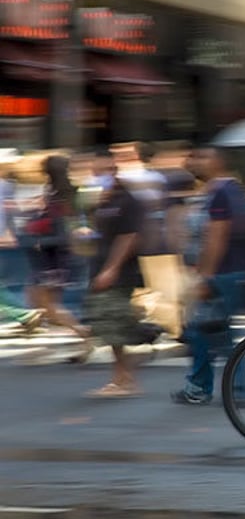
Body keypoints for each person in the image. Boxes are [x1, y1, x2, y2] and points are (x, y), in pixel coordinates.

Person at [171, 146, 245, 405]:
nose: (195, 161)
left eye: (202, 156)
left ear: (218, 161)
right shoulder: (230, 191)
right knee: (217, 331)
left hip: (221, 274)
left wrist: (205, 277)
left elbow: (217, 238)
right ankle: (235, 387)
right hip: (232, 271)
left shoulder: (221, 193)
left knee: (203, 330)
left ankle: (207, 387)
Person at [81, 150, 146, 397]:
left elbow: (129, 237)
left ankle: (124, 380)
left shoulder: (127, 200)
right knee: (110, 324)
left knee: (113, 324)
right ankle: (123, 376)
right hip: (99, 267)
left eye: (104, 170)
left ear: (114, 170)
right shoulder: (101, 200)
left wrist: (112, 269)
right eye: (96, 171)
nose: (99, 175)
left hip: (118, 272)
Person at [24, 155, 90, 345]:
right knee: (43, 304)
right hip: (54, 257)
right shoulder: (62, 192)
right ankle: (81, 335)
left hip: (53, 257)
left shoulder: (61, 196)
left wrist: (41, 239)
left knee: (43, 303)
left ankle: (83, 332)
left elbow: (62, 232)